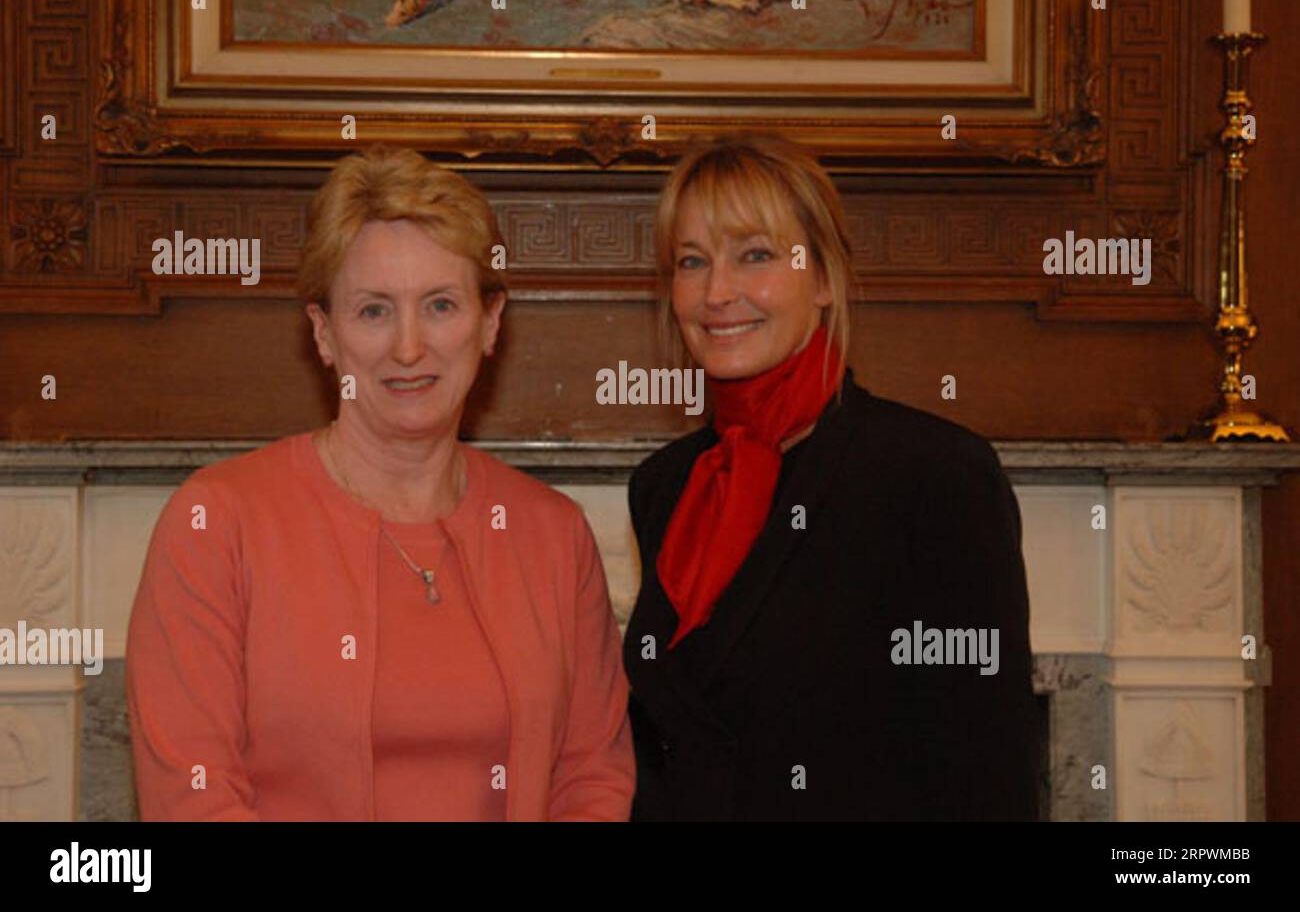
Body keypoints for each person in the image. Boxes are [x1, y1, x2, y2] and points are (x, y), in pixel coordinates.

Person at [127, 145, 635, 821]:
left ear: (490, 324)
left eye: (441, 305)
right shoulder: (216, 523)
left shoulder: (553, 533)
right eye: (373, 311)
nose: (407, 347)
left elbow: (592, 777)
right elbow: (193, 798)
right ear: (324, 333)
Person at [623, 135, 1040, 820]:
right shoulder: (666, 486)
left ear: (823, 278)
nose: (716, 292)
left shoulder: (935, 476)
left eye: (754, 255)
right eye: (691, 262)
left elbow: (987, 772)